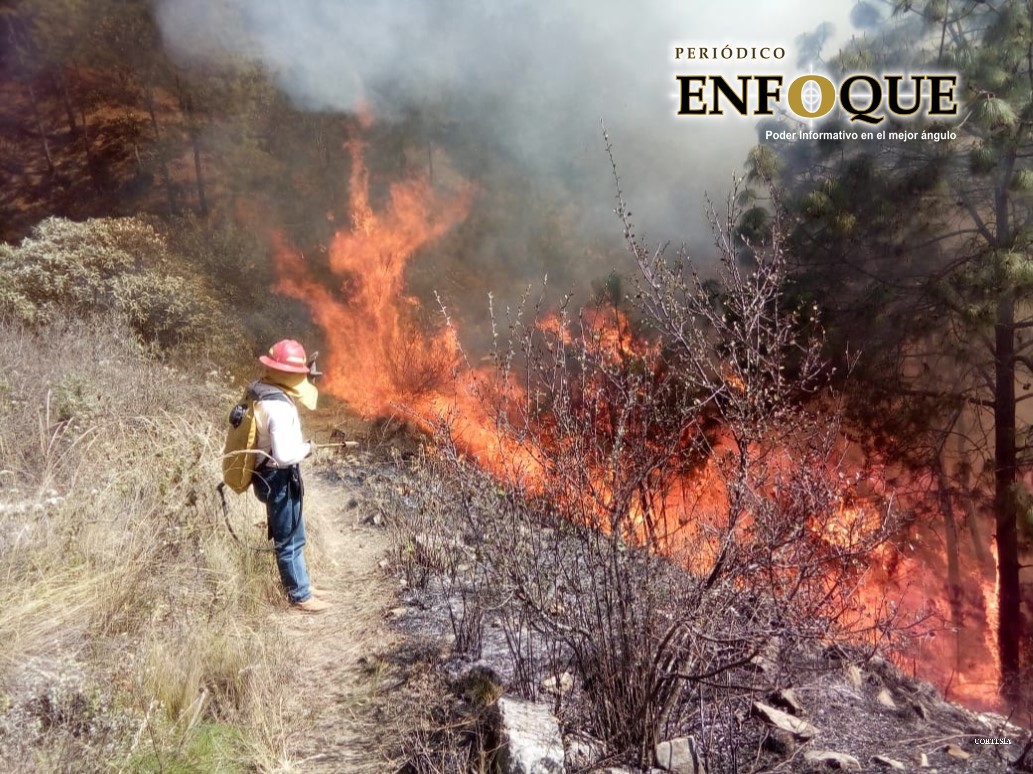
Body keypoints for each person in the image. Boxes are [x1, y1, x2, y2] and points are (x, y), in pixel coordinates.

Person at [251, 339, 330, 613]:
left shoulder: (266, 391)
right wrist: (308, 449)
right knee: (288, 539)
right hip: (277, 477)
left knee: (296, 534)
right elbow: (284, 455)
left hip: (274, 476)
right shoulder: (278, 407)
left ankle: (303, 584)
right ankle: (299, 595)